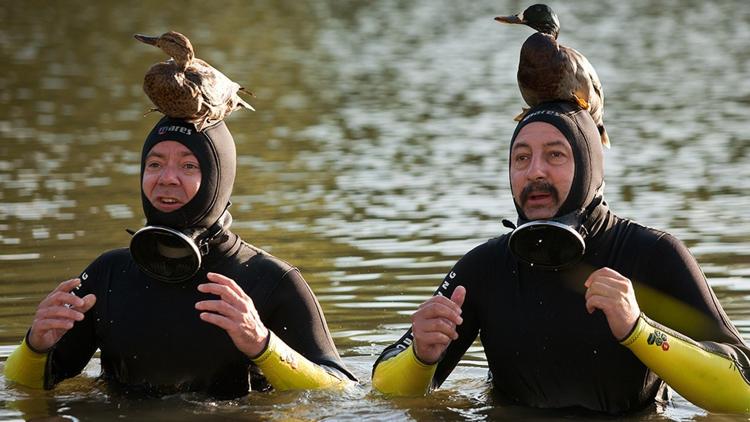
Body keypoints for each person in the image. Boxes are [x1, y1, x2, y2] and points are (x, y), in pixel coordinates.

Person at [371, 101, 750, 414]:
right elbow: (382, 391)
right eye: (521, 158)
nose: (535, 171)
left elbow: (744, 391)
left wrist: (640, 332)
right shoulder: (486, 266)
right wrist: (420, 355)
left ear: (588, 168)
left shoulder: (651, 255)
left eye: (555, 155)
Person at [4, 117, 356, 398]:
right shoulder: (108, 274)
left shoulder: (270, 280)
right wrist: (35, 345)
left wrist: (262, 345)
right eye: (155, 164)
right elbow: (22, 389)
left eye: (188, 167)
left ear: (218, 180)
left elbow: (342, 393)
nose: (167, 179)